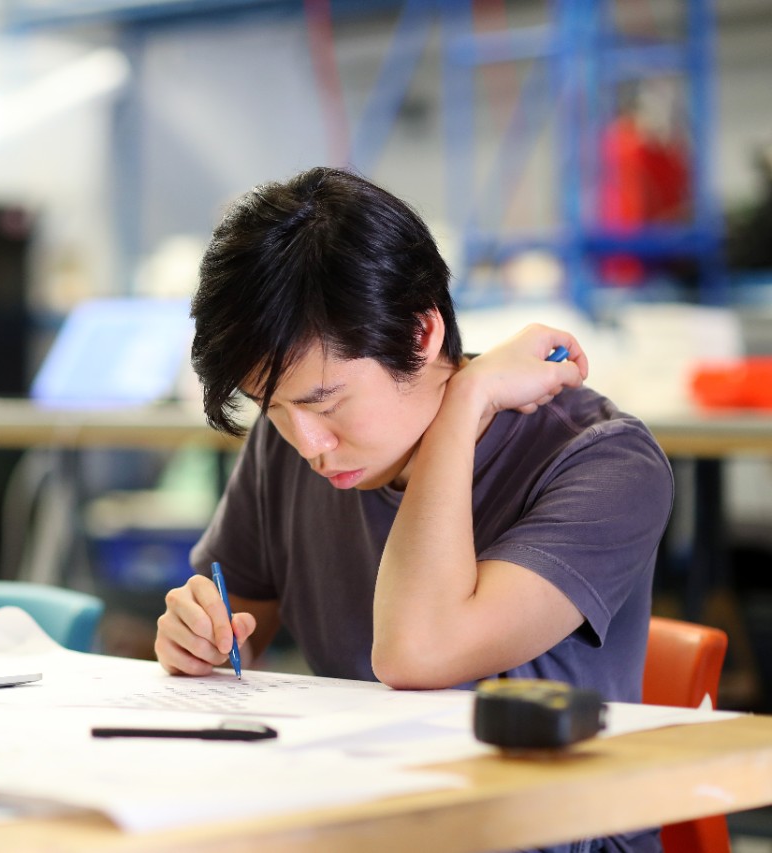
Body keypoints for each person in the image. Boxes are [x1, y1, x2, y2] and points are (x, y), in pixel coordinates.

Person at [155, 167, 672, 853]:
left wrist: (465, 403)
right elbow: (237, 625)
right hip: (359, 813)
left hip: (539, 834)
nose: (307, 443)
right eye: (270, 407)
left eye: (324, 402)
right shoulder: (291, 442)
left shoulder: (604, 461)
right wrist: (202, 639)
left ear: (422, 333)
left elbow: (418, 652)